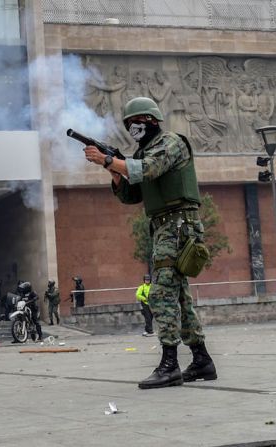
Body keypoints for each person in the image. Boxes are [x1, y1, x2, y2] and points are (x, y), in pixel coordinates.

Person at [84, 96, 217, 389]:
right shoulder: (142, 152)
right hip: (164, 227)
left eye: (138, 122)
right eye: (130, 124)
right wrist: (113, 170)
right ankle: (202, 359)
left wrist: (110, 160)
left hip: (179, 225)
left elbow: (148, 170)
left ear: (152, 120)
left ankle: (170, 364)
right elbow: (132, 195)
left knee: (160, 293)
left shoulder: (170, 143)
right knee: (179, 295)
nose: (134, 127)